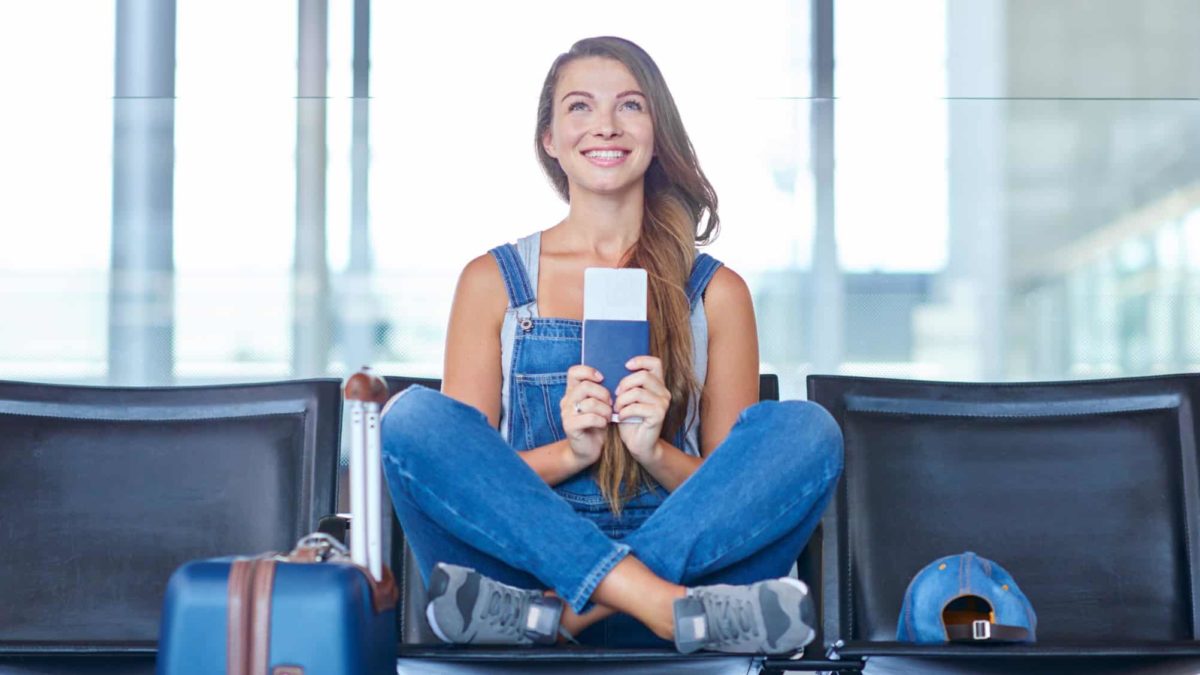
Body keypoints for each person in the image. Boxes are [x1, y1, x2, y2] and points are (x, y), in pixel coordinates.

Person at [380, 36, 843, 655]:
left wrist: (653, 453)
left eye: (630, 105)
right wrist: (572, 453)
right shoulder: (493, 282)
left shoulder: (716, 292)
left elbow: (728, 488)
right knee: (413, 418)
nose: (605, 125)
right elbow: (469, 479)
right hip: (525, 572)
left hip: (601, 594)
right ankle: (652, 605)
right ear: (548, 139)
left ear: (656, 131)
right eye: (579, 107)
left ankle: (575, 616)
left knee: (809, 430)